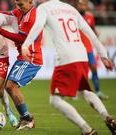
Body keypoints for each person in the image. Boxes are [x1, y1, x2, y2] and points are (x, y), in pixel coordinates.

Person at [21, 0, 116, 134]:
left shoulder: (44, 8)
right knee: (84, 90)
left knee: (55, 100)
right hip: (82, 56)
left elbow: (38, 26)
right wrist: (103, 55)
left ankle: (87, 130)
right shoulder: (70, 9)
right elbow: (90, 33)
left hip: (67, 58)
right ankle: (107, 117)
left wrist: (26, 45)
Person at [0, 0, 43, 130]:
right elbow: (9, 13)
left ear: (30, 2)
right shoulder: (22, 12)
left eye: (21, 4)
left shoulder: (32, 18)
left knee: (10, 86)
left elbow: (22, 39)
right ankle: (27, 117)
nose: (18, 8)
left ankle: (26, 119)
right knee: (9, 86)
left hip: (31, 58)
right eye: (17, 4)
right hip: (23, 57)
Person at [77, 0, 108, 100]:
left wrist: (96, 34)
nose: (82, 6)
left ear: (86, 6)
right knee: (78, 72)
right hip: (78, 48)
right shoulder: (74, 16)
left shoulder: (90, 17)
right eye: (80, 4)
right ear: (78, 5)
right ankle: (76, 92)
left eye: (83, 4)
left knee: (94, 69)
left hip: (89, 48)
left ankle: (97, 91)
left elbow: (93, 29)